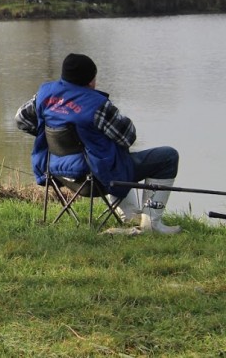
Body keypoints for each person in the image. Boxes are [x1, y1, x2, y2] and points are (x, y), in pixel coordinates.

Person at [14, 53, 182, 234]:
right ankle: (152, 225)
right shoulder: (97, 105)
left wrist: (53, 135)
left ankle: (130, 213)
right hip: (95, 179)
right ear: (90, 80)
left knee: (108, 151)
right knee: (167, 156)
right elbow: (128, 136)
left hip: (56, 172)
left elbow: (21, 120)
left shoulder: (44, 94)